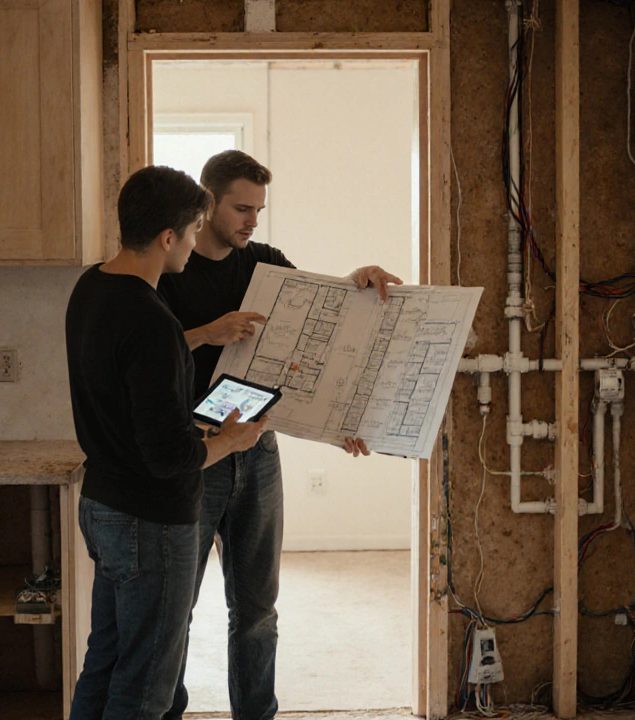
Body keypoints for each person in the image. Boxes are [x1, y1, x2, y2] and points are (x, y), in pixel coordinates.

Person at [158, 150, 402, 720]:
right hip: (196, 451)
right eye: (242, 208)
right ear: (208, 201)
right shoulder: (170, 269)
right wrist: (210, 331)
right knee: (176, 610)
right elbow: (148, 352)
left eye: (259, 210)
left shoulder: (265, 263)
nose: (252, 221)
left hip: (257, 451)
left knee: (258, 609)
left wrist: (357, 280)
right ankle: (169, 713)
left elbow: (323, 319)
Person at [66, 165, 268, 720]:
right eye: (195, 227)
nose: (195, 242)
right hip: (149, 521)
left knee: (104, 665)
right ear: (167, 237)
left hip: (103, 504)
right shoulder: (150, 319)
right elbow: (169, 457)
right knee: (145, 686)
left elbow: (130, 412)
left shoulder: (90, 287)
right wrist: (231, 439)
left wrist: (198, 425)